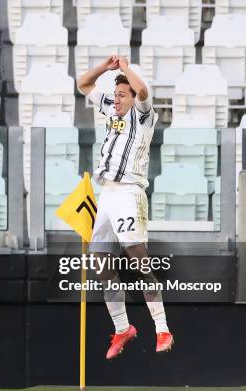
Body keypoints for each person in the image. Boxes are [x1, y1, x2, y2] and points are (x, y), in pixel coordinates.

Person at [77, 55, 174, 359]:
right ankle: (123, 328)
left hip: (129, 193)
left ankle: (162, 328)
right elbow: (83, 84)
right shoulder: (111, 108)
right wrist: (107, 69)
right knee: (100, 264)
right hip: (105, 193)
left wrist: (126, 69)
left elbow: (143, 92)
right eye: (115, 95)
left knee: (138, 259)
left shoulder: (143, 114)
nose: (116, 100)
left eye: (122, 95)